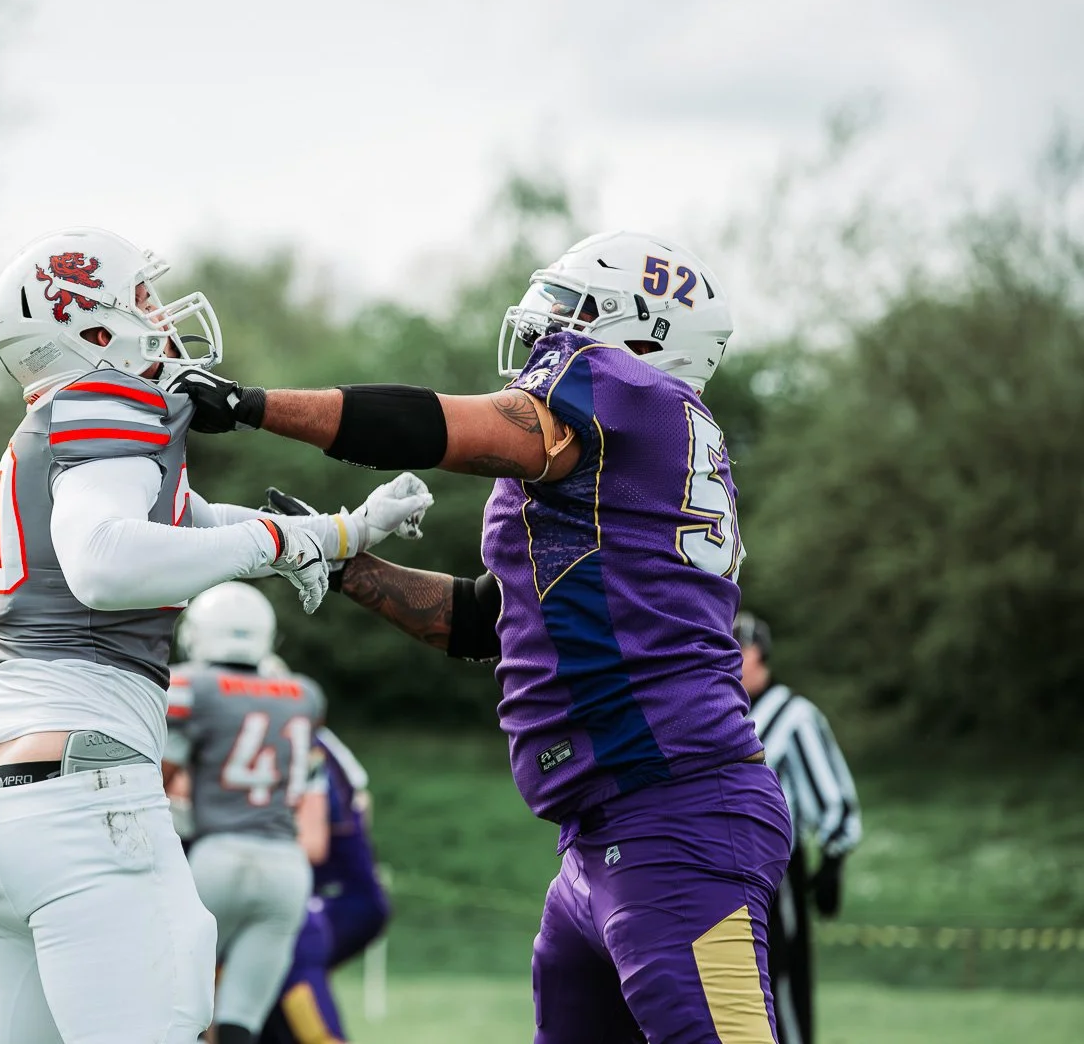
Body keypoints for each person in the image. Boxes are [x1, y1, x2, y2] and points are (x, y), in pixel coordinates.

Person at [177, 230, 793, 1043]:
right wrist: (342, 558)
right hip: (607, 833)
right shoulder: (645, 449)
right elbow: (491, 621)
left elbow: (440, 429)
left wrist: (255, 405)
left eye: (575, 313)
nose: (546, 332)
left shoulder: (625, 391)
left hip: (674, 818)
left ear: (644, 337)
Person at [0, 227, 433, 1044]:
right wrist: (287, 544)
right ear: (91, 332)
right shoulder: (110, 402)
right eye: (140, 299)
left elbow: (201, 527)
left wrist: (341, 532)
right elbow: (105, 563)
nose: (161, 315)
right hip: (83, 799)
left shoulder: (56, 428)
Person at [165, 583, 327, 1044]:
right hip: (286, 868)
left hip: (217, 858)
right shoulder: (305, 693)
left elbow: (161, 772)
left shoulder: (193, 686)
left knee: (177, 1008)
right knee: (240, 1023)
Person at [735, 611, 861, 1044]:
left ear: (758, 653)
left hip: (774, 877)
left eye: (738, 649)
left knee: (780, 982)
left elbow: (834, 796)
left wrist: (832, 861)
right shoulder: (717, 715)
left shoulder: (793, 716)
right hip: (721, 874)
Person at [259, 727, 390, 1044]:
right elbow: (363, 801)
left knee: (293, 953)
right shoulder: (315, 734)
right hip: (343, 896)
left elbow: (313, 844)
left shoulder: (298, 736)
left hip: (324, 902)